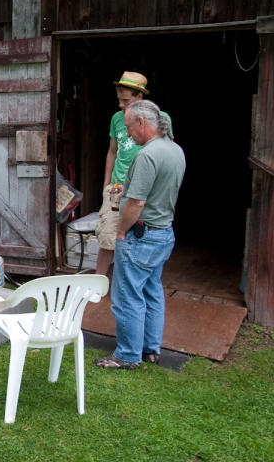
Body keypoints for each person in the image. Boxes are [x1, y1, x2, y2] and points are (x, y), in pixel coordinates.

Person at [95, 100, 185, 369]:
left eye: (129, 127)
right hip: (163, 233)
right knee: (152, 290)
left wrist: (121, 230)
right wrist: (126, 192)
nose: (128, 134)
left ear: (142, 123)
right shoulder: (174, 150)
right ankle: (150, 350)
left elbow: (137, 204)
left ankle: (127, 355)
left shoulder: (147, 155)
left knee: (126, 296)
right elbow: (155, 190)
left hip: (141, 236)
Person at [95, 71, 173, 276]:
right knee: (107, 237)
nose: (121, 104)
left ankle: (128, 284)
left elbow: (168, 153)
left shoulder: (161, 119)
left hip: (143, 189)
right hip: (117, 186)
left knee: (138, 238)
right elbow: (112, 151)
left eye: (126, 100)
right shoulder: (116, 118)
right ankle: (97, 285)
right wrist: (107, 183)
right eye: (119, 99)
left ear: (139, 97)